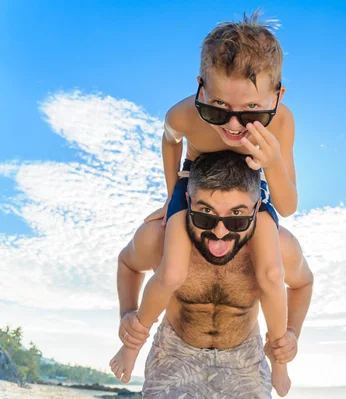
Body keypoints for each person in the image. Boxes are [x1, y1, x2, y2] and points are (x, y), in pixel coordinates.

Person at [109, 11, 299, 396]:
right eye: (216, 108)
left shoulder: (281, 123)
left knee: (270, 275)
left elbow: (288, 203)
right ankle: (131, 346)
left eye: (251, 113)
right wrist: (171, 196)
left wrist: (274, 161)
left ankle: (278, 360)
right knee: (173, 271)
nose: (232, 126)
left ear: (277, 97)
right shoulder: (185, 115)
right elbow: (169, 139)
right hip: (195, 180)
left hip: (249, 188)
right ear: (199, 89)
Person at [111, 151, 313, 398]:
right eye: (206, 214)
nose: (219, 232)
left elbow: (303, 283)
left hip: (245, 359)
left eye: (237, 216)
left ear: (257, 208)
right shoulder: (158, 237)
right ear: (187, 202)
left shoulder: (281, 248)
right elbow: (128, 264)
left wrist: (291, 333)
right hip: (174, 352)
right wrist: (127, 314)